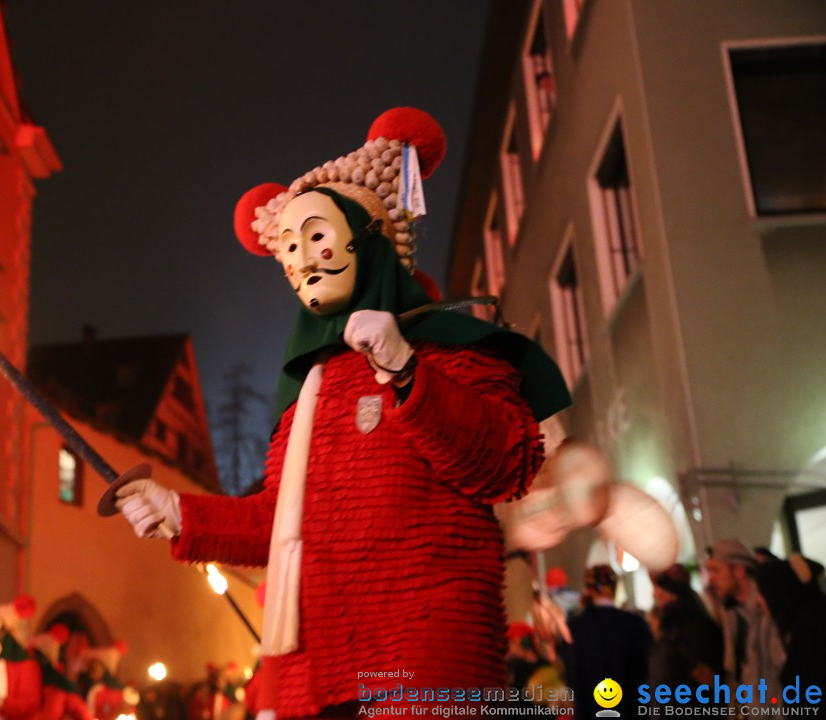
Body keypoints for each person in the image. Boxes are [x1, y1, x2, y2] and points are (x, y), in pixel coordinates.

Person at [113, 108, 570, 718]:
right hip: (320, 664)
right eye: (292, 247)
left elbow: (506, 466)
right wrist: (181, 513)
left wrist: (409, 372)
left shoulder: (450, 346)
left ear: (368, 234)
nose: (304, 259)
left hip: (426, 656)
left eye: (318, 236)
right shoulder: (308, 390)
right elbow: (281, 524)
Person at [561, 566, 652, 717]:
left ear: (589, 590)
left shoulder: (574, 629)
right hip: (631, 708)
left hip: (590, 709)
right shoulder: (635, 624)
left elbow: (571, 673)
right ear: (615, 588)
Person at [704, 539, 785, 693]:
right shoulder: (731, 611)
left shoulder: (769, 609)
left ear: (739, 571)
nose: (711, 579)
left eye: (716, 570)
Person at [754, 554, 826, 705]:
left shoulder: (811, 635)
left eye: (763, 593)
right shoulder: (804, 627)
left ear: (778, 594)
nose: (758, 601)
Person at [646, 564, 723, 695]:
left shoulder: (691, 627)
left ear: (672, 591)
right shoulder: (673, 625)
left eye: (659, 587)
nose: (655, 594)